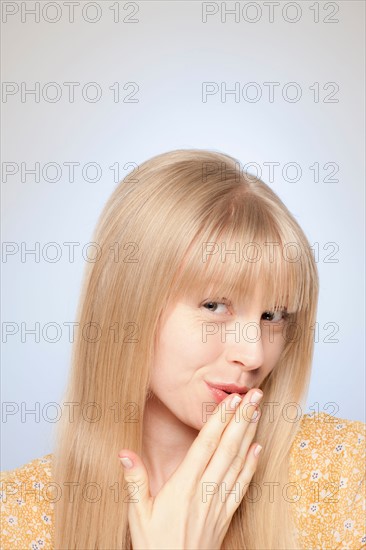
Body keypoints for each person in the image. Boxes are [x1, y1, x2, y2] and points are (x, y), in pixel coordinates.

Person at [1, 149, 365, 550]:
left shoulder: (345, 474)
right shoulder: (17, 517)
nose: (255, 354)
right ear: (128, 306)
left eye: (274, 315)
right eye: (214, 306)